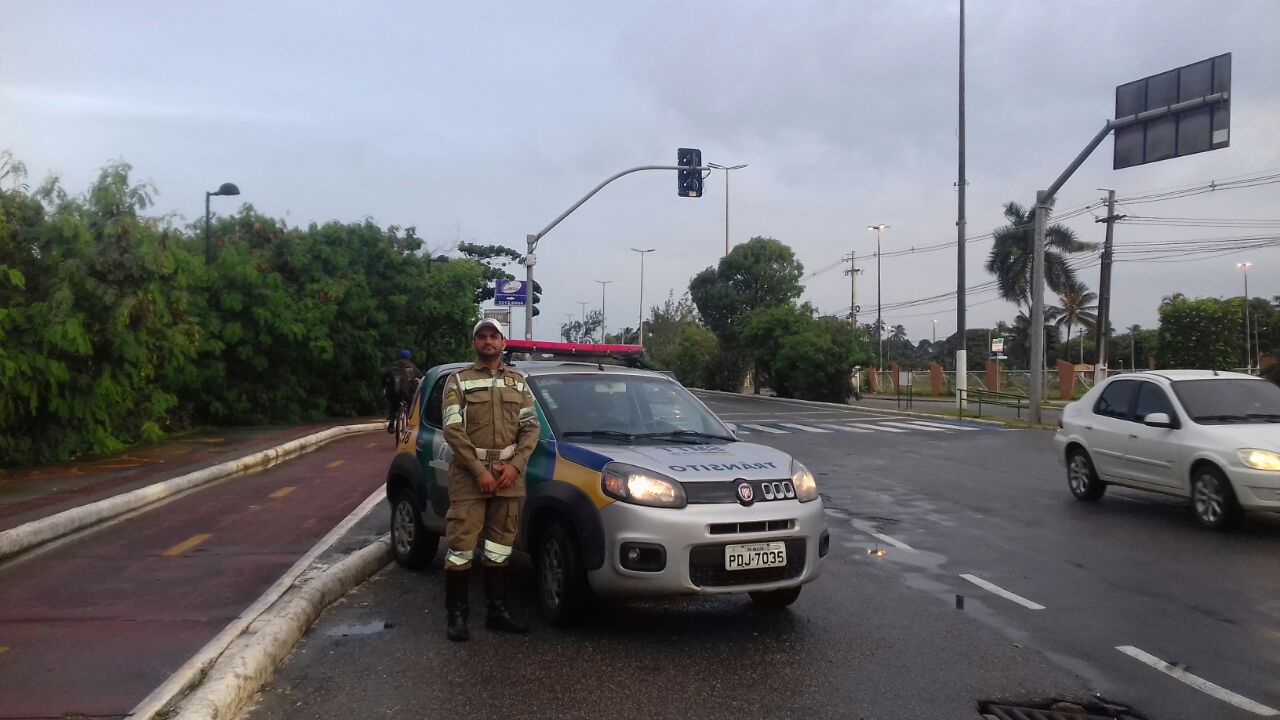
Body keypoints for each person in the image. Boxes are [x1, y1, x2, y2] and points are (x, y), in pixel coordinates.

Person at [440, 318, 539, 641]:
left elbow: (530, 428)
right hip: (470, 476)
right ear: (474, 344)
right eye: (481, 336)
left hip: (508, 476)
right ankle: (456, 616)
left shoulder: (518, 383)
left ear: (502, 342)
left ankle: (497, 612)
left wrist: (516, 466)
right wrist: (479, 470)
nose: (487, 341)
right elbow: (453, 430)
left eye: (493, 336)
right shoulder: (458, 381)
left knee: (500, 548)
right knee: (461, 549)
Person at [384, 349, 422, 433]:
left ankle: (391, 423)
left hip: (392, 393)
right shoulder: (411, 367)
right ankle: (409, 421)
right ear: (409, 357)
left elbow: (384, 377)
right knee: (411, 403)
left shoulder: (393, 366)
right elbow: (420, 376)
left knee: (393, 405)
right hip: (406, 393)